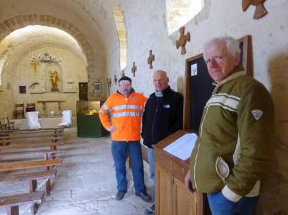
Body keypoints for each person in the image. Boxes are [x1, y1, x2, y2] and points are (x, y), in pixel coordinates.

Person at [184, 36, 275, 215]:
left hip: (232, 196)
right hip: (216, 189)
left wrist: (230, 194)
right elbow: (207, 138)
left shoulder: (250, 90)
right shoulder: (220, 89)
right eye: (208, 60)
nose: (212, 65)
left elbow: (256, 152)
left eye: (219, 57)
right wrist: (193, 171)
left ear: (236, 58)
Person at [99, 76, 152, 202]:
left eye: (127, 84)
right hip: (118, 140)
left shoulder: (139, 97)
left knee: (138, 166)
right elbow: (102, 112)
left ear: (131, 85)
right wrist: (107, 126)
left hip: (134, 139)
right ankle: (121, 189)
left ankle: (140, 190)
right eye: (122, 85)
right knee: (119, 166)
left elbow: (152, 104)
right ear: (118, 86)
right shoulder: (112, 98)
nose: (125, 87)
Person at [142, 70, 183, 215]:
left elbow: (179, 123)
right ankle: (158, 202)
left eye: (160, 80)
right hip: (152, 146)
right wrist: (144, 134)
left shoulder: (176, 99)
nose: (157, 83)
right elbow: (146, 118)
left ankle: (167, 203)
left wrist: (167, 140)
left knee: (167, 176)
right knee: (154, 175)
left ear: (167, 81)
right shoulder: (151, 98)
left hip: (168, 148)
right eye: (155, 80)